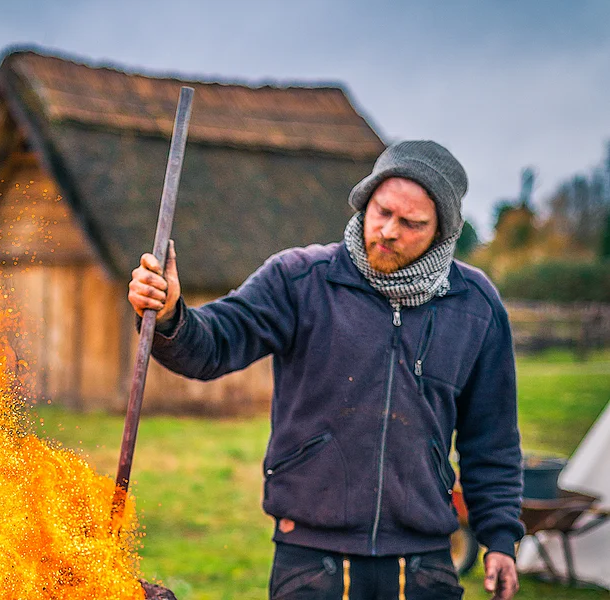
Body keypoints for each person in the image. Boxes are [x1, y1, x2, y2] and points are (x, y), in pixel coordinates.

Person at [128, 141, 523, 599]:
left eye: (411, 223)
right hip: (311, 560)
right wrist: (170, 316)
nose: (388, 231)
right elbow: (214, 344)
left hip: (423, 563)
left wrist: (499, 538)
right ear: (365, 202)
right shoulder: (299, 279)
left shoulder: (476, 306)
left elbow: (492, 438)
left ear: (442, 232)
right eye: (382, 211)